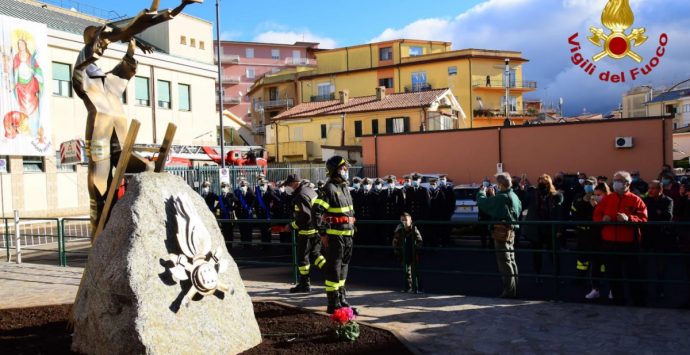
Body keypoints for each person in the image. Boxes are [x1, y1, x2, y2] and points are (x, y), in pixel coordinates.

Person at [593, 171, 648, 306]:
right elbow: (596, 216)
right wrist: (602, 219)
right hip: (609, 243)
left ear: (627, 184)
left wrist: (629, 219)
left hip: (629, 243)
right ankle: (618, 301)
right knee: (613, 274)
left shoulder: (635, 200)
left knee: (633, 274)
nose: (615, 183)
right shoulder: (608, 199)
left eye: (618, 181)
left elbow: (644, 219)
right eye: (614, 180)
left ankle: (637, 302)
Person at [313, 156, 357, 314]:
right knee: (334, 269)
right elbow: (316, 212)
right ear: (334, 170)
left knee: (344, 268)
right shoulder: (329, 188)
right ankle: (333, 302)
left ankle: (341, 297)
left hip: (348, 235)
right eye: (343, 167)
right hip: (335, 237)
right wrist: (323, 232)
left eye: (346, 167)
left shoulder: (344, 187)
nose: (346, 170)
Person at [477, 172, 522, 298]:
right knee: (511, 260)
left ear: (501, 184)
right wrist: (494, 196)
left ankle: (509, 291)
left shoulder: (502, 197)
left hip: (501, 232)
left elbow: (484, 203)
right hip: (511, 231)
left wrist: (481, 193)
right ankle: (514, 287)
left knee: (504, 262)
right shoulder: (513, 195)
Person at [282, 174, 326, 293]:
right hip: (316, 229)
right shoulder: (309, 190)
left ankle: (305, 285)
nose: (287, 187)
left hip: (306, 232)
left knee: (302, 260)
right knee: (316, 255)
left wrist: (291, 226)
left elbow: (305, 217)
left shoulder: (300, 196)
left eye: (289, 185)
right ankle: (331, 273)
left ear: (295, 183)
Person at [524, 174, 564, 283]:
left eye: (544, 181)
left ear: (549, 183)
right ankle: (538, 275)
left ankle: (557, 277)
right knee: (536, 254)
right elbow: (524, 202)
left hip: (550, 229)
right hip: (536, 229)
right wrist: (524, 189)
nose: (541, 183)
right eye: (540, 181)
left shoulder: (556, 196)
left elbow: (559, 213)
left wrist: (559, 229)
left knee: (554, 255)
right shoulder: (533, 194)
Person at [642, 180, 674, 300]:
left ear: (660, 189)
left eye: (653, 188)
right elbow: (644, 215)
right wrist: (657, 213)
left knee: (660, 266)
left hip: (661, 238)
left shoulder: (668, 200)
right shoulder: (645, 200)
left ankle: (660, 290)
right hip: (647, 236)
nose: (650, 190)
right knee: (644, 264)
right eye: (649, 188)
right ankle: (644, 289)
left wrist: (655, 214)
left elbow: (667, 217)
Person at [583, 182, 610, 300]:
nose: (597, 197)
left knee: (610, 265)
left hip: (606, 238)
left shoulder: (610, 203)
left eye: (599, 194)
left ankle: (611, 289)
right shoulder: (591, 204)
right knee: (595, 265)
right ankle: (595, 289)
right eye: (595, 194)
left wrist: (596, 206)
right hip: (594, 238)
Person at [572, 177, 597, 282]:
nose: (588, 186)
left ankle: (599, 279)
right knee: (582, 256)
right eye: (586, 184)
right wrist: (583, 201)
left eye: (590, 184)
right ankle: (580, 277)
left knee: (596, 256)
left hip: (595, 232)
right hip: (582, 231)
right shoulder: (579, 196)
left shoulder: (598, 196)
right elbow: (573, 212)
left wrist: (594, 205)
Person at [392, 212, 423, 292]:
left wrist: (417, 250)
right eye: (402, 220)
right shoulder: (399, 229)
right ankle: (408, 287)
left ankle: (418, 288)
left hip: (413, 252)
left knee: (415, 271)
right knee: (406, 271)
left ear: (411, 221)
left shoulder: (414, 228)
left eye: (406, 220)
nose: (404, 222)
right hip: (404, 253)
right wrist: (397, 252)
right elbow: (395, 242)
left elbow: (420, 240)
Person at [254, 178, 279, 249]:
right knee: (262, 231)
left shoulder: (270, 193)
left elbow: (278, 200)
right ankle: (264, 245)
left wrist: (272, 207)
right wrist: (256, 212)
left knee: (267, 231)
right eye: (261, 185)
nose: (262, 186)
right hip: (260, 215)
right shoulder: (258, 193)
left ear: (266, 185)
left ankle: (268, 245)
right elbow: (255, 203)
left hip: (267, 215)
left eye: (263, 185)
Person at [233, 179, 255, 247]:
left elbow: (254, 199)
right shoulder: (237, 192)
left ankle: (249, 243)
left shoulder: (250, 191)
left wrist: (251, 207)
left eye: (244, 185)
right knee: (242, 228)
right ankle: (243, 241)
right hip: (241, 213)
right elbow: (235, 199)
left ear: (247, 185)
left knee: (248, 228)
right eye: (242, 185)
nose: (243, 186)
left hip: (248, 213)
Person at [428, 178, 447, 247]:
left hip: (438, 215)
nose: (433, 185)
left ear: (436, 184)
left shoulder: (440, 192)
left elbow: (443, 204)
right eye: (431, 184)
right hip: (430, 215)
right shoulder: (428, 192)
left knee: (438, 230)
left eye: (434, 184)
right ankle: (431, 244)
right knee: (431, 231)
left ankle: (438, 243)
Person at [217, 182, 237, 247]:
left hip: (229, 215)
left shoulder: (231, 195)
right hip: (223, 215)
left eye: (224, 187)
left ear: (228, 188)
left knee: (230, 230)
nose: (223, 188)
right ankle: (226, 243)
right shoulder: (221, 196)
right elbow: (218, 205)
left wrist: (232, 208)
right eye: (222, 187)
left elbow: (237, 202)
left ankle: (230, 244)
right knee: (224, 229)